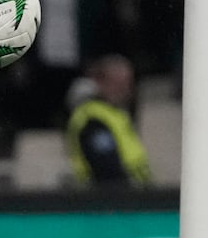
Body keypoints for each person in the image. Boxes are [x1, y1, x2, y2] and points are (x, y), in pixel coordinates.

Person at [64, 53, 150, 187]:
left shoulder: (116, 114)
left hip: (136, 196)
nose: (126, 90)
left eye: (128, 84)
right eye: (119, 84)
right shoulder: (92, 119)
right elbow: (106, 169)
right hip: (111, 200)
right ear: (100, 82)